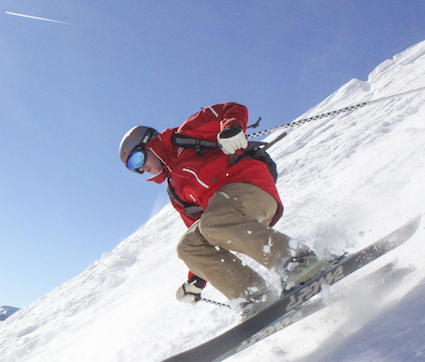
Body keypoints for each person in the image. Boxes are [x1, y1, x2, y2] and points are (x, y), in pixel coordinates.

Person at [118, 102, 328, 317]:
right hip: (227, 218)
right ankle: (253, 295)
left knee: (213, 220)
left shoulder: (184, 137)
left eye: (137, 159)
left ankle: (297, 260)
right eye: (133, 168)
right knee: (188, 245)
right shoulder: (175, 190)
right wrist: (196, 279)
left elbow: (229, 109)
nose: (141, 168)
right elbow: (200, 231)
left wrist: (232, 129)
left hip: (251, 187)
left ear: (149, 144)